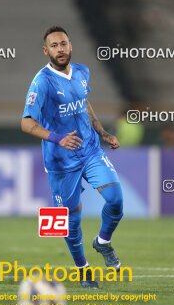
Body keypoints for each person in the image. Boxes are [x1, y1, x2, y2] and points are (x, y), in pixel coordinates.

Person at [21, 26, 124, 288]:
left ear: (71, 46)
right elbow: (26, 123)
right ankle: (83, 270)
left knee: (115, 200)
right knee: (69, 220)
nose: (60, 49)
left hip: (89, 149)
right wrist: (58, 138)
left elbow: (84, 102)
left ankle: (102, 242)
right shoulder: (41, 82)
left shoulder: (82, 71)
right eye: (54, 45)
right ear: (46, 51)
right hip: (60, 162)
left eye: (64, 44)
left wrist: (101, 131)